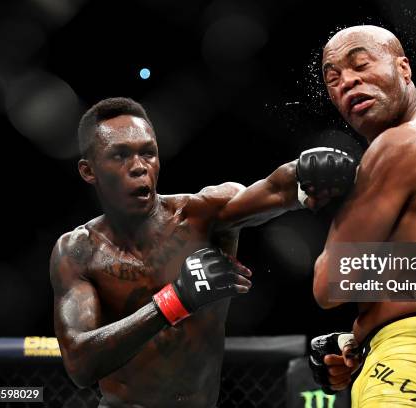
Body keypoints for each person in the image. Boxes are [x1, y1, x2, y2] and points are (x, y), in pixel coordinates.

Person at [50, 97, 356, 408]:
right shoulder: (79, 251)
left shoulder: (202, 215)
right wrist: (176, 300)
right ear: (89, 171)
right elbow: (80, 363)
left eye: (148, 153)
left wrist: (306, 174)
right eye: (120, 156)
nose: (139, 167)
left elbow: (274, 190)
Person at [308, 26, 416, 407]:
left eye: (361, 64)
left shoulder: (398, 143)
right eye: (333, 79)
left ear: (404, 68)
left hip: (409, 365)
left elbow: (329, 283)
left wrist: (337, 197)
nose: (348, 82)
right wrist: (360, 337)